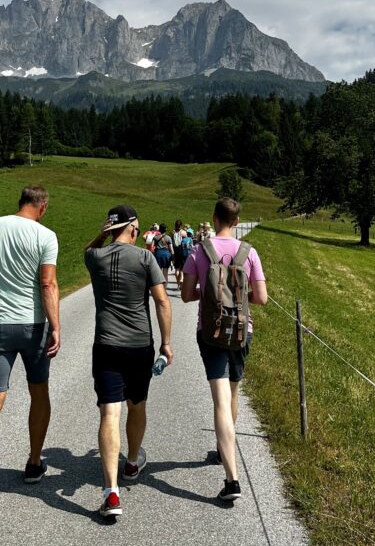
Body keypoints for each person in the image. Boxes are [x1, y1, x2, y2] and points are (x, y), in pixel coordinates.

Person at [0, 185, 61, 515]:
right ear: (42, 205)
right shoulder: (46, 235)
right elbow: (48, 283)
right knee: (39, 392)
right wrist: (56, 325)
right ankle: (34, 463)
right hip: (34, 325)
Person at [85, 205, 173, 518]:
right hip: (139, 346)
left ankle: (111, 493)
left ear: (110, 228)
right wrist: (166, 344)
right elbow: (162, 301)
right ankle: (132, 463)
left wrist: (104, 233)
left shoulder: (95, 257)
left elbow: (89, 248)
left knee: (110, 412)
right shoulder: (146, 258)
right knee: (137, 405)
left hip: (106, 344)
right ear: (134, 229)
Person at [181, 198, 267, 502]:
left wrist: (212, 292)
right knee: (232, 393)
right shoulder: (249, 252)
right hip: (243, 332)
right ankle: (223, 450)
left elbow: (187, 295)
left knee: (219, 399)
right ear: (237, 219)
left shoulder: (199, 251)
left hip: (211, 332)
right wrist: (237, 295)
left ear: (214, 218)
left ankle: (232, 480)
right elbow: (262, 298)